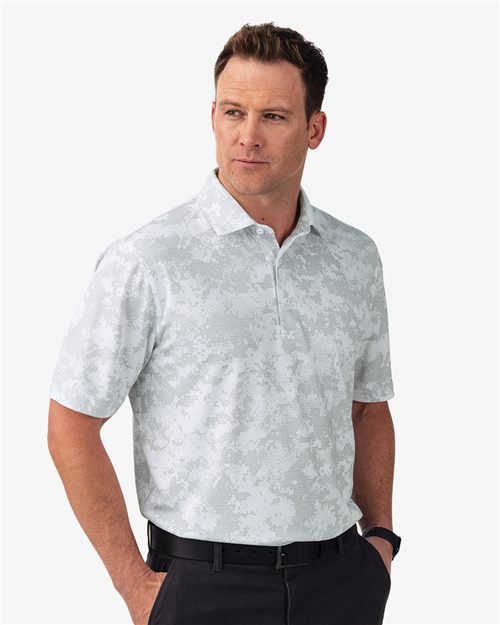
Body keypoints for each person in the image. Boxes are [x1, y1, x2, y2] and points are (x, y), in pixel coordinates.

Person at [47, 21, 401, 625]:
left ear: (315, 130)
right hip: (201, 590)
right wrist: (137, 588)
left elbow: (367, 407)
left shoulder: (353, 257)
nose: (248, 136)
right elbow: (70, 426)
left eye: (274, 117)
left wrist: (382, 541)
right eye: (233, 112)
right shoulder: (148, 260)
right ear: (212, 116)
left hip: (342, 582)